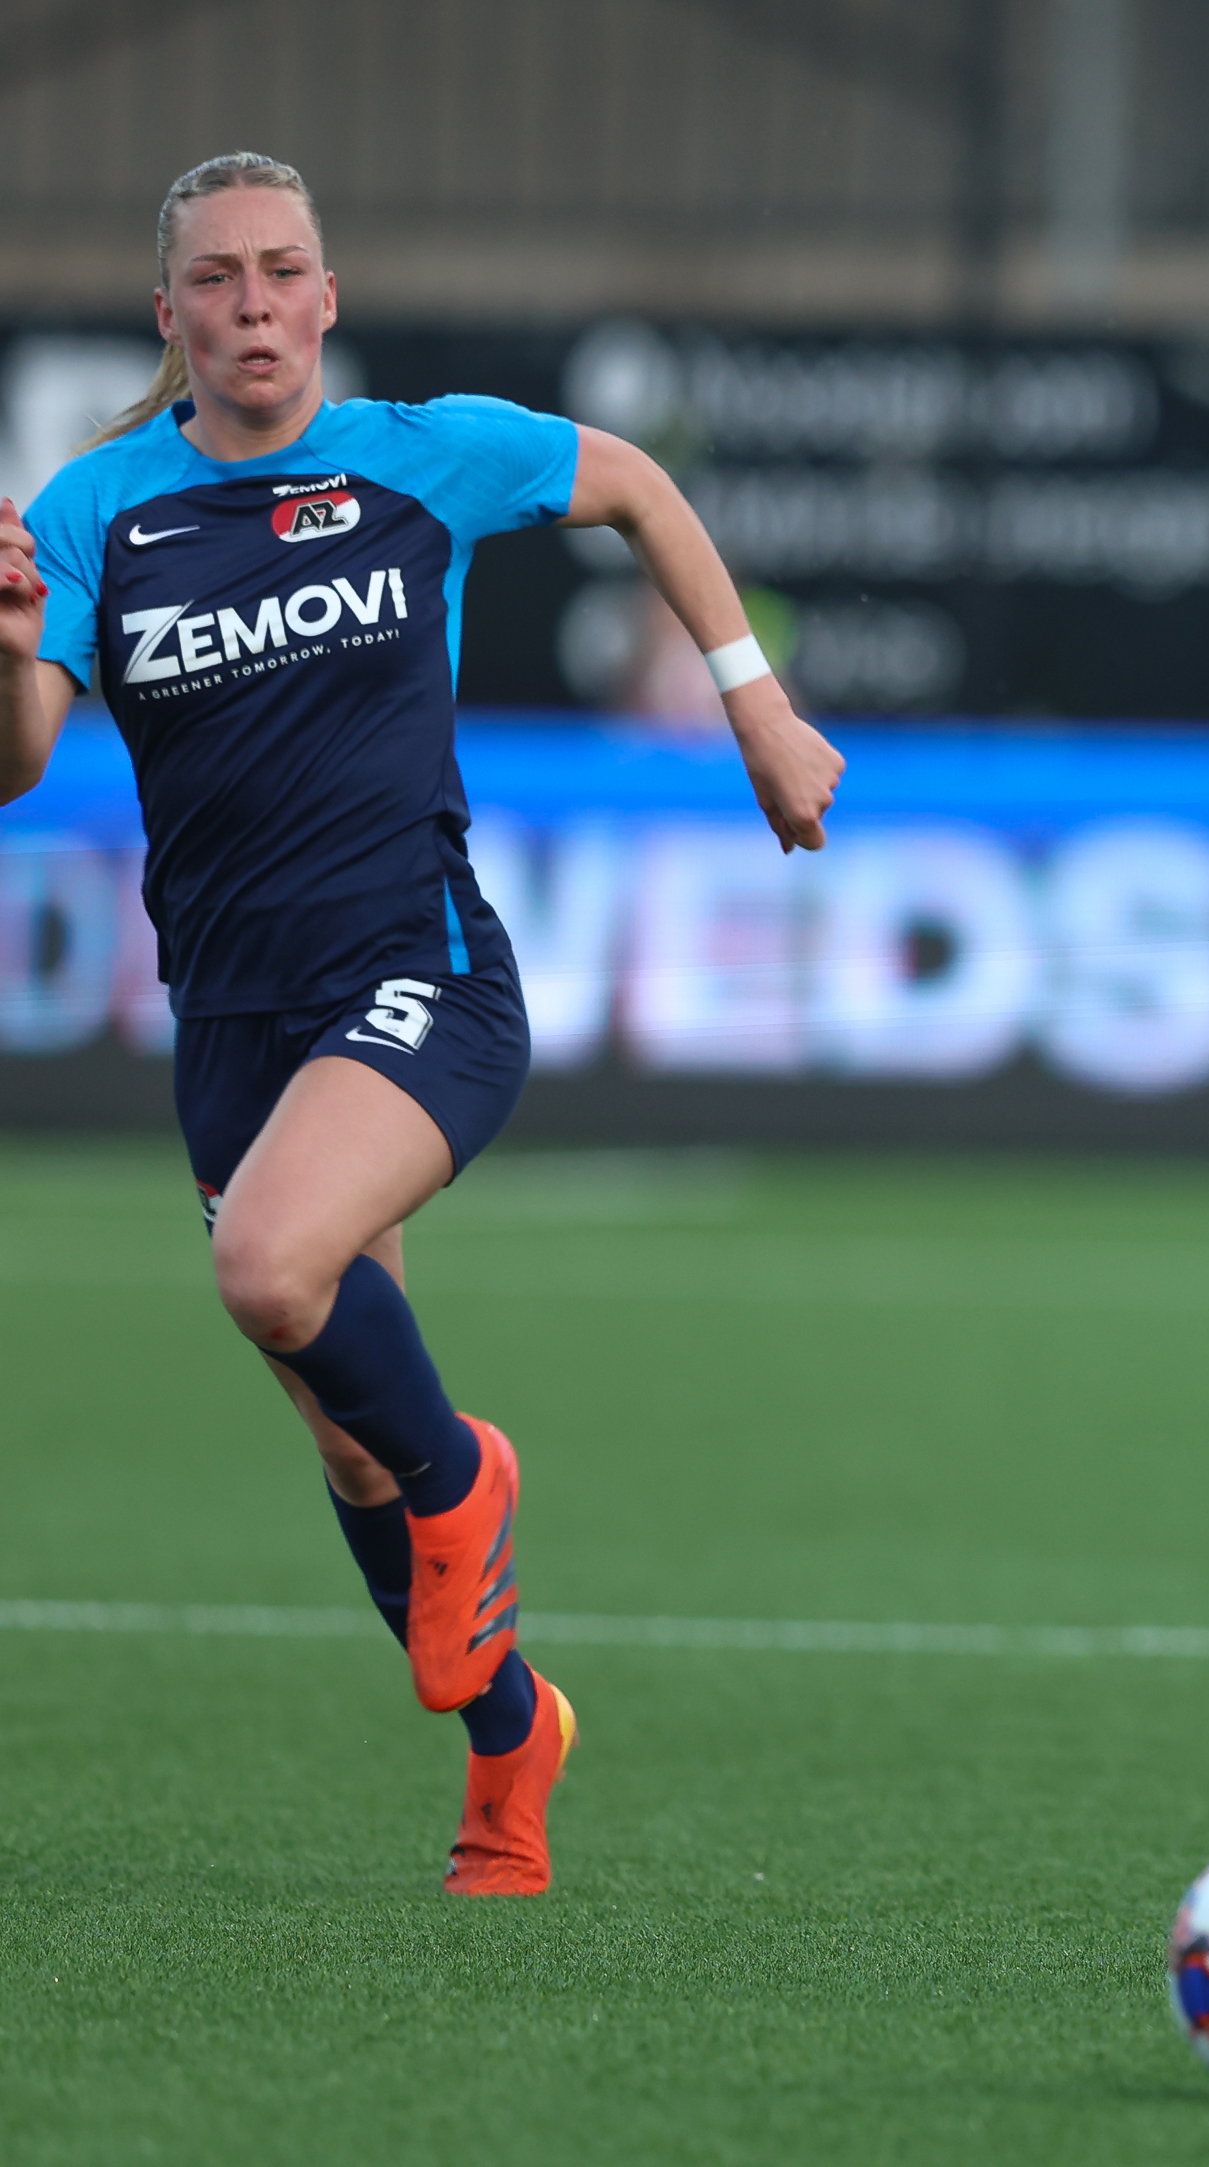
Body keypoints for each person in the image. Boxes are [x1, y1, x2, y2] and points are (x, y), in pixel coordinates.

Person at [0, 153, 843, 1894]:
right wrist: (11, 642)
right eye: (217, 278)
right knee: (337, 1427)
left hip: (421, 969)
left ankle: (470, 1483)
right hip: (233, 1012)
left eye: (282, 270)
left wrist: (751, 704)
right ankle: (511, 1739)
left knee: (267, 1275)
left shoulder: (416, 458)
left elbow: (637, 488)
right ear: (171, 316)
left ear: (327, 299)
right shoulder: (96, 511)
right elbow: (18, 767)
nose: (252, 304)